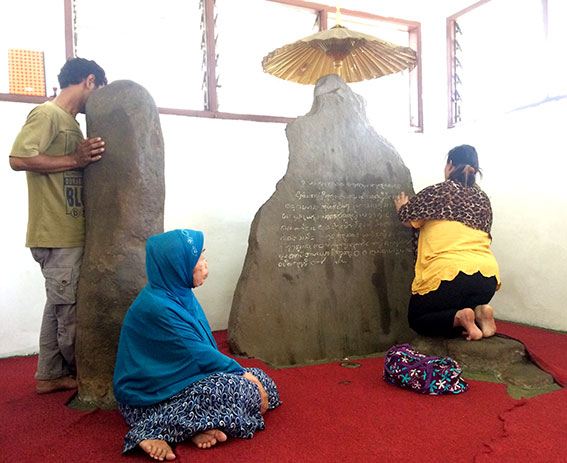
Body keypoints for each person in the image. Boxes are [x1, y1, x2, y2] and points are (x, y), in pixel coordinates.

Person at [113, 229, 281, 461]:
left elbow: (202, 353)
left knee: (264, 382)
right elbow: (200, 355)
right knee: (242, 389)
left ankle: (190, 428)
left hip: (177, 385)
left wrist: (246, 376)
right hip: (146, 399)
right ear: (177, 264)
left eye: (203, 255)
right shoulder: (159, 306)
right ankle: (149, 430)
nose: (205, 264)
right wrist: (242, 375)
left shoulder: (178, 294)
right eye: (198, 258)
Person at [9, 57, 107, 394]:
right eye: (99, 93)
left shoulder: (71, 123)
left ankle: (50, 375)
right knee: (70, 312)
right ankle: (86, 377)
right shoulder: (47, 114)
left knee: (58, 304)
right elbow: (18, 158)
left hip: (67, 231)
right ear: (90, 81)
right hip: (57, 233)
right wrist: (74, 160)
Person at [394, 144, 500, 341]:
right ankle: (480, 312)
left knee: (418, 318)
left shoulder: (438, 192)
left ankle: (462, 318)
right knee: (455, 305)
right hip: (487, 278)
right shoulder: (483, 199)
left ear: (450, 165)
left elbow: (407, 219)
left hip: (449, 275)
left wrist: (401, 207)